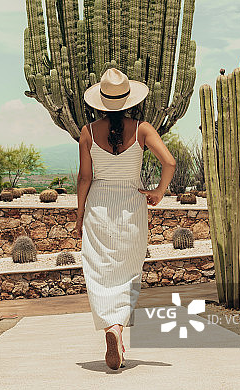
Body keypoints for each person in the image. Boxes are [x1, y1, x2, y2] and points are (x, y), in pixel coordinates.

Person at [75, 67, 176, 370]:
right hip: (131, 205)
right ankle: (118, 329)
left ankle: (110, 328)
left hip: (98, 206)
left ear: (100, 101)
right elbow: (169, 162)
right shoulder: (143, 129)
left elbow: (83, 177)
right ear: (129, 99)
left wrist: (80, 215)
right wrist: (159, 191)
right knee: (128, 271)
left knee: (99, 270)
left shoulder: (88, 132)